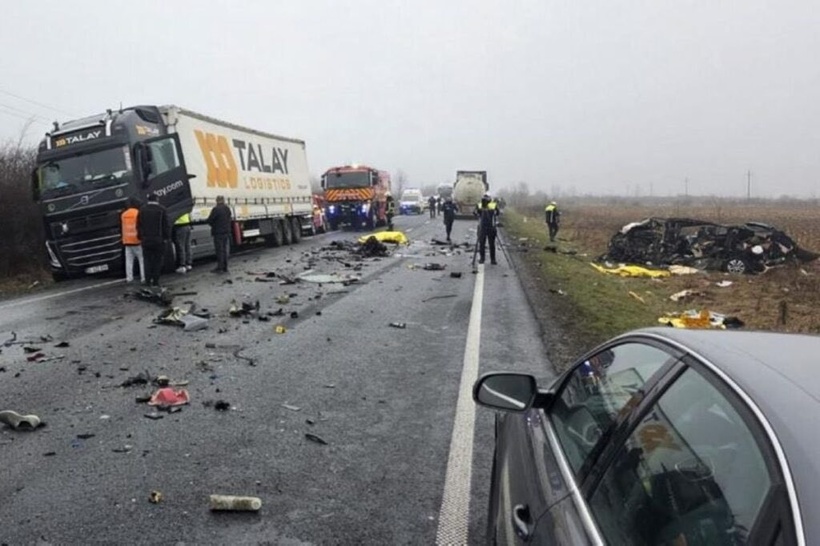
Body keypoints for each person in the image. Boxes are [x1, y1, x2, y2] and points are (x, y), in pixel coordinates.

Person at [137, 194, 170, 287]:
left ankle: (148, 281)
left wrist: (140, 237)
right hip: (158, 240)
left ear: (148, 199)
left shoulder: (142, 210)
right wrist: (166, 238)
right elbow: (166, 225)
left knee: (147, 260)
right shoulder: (162, 209)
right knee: (157, 261)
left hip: (146, 240)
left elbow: (138, 225)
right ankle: (156, 281)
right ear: (157, 199)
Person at [120, 197, 145, 284]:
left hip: (127, 241)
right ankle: (143, 278)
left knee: (129, 262)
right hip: (137, 240)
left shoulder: (123, 215)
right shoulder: (138, 213)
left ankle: (129, 278)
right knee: (142, 260)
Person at [207, 195, 233, 273]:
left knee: (219, 250)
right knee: (225, 250)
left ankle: (220, 267)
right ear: (223, 200)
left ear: (217, 201)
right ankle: (225, 267)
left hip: (218, 232)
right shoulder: (227, 208)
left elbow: (209, 220)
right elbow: (229, 218)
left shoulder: (216, 209)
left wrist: (214, 225)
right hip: (226, 232)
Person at [474, 193, 499, 264]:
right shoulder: (492, 205)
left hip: (483, 227)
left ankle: (483, 259)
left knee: (482, 243)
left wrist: (479, 213)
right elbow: (497, 213)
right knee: (491, 244)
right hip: (490, 227)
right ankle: (492, 259)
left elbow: (475, 213)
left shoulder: (480, 205)